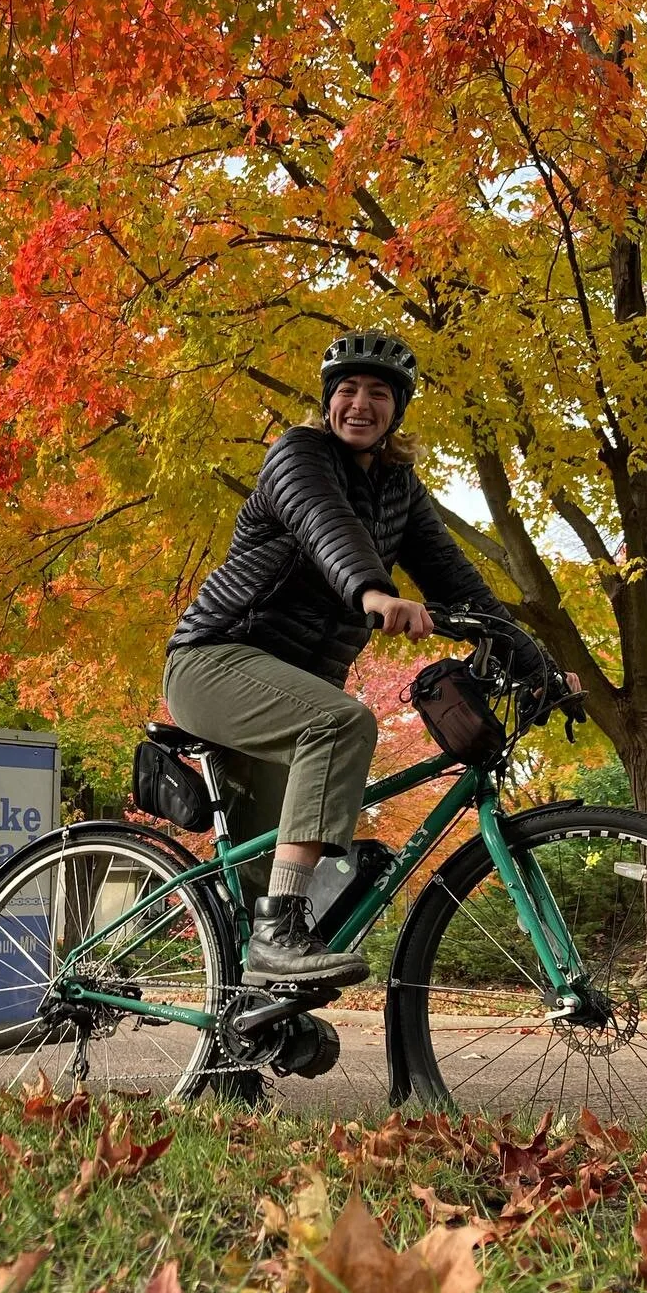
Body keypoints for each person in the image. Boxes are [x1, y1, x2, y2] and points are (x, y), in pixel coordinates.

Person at [162, 331, 541, 983]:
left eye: (377, 394)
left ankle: (247, 1032)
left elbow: (461, 584)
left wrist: (536, 667)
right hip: (214, 660)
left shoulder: (400, 489)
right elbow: (323, 523)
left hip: (289, 689)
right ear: (328, 400)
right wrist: (373, 590)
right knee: (341, 723)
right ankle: (283, 933)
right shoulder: (297, 454)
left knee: (263, 875)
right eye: (347, 391)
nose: (359, 404)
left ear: (398, 409)